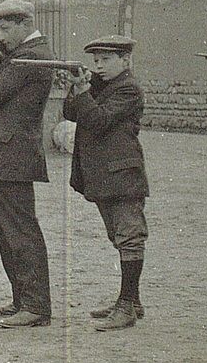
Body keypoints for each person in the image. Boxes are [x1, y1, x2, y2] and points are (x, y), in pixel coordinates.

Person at [0, 0, 55, 329]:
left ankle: (35, 305)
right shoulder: (24, 53)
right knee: (7, 230)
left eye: (4, 29)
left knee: (20, 231)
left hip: (14, 155)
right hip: (6, 155)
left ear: (24, 24)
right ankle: (22, 299)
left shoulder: (32, 55)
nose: (0, 36)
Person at [56, 35, 150, 332]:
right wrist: (76, 85)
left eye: (106, 59)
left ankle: (126, 307)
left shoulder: (129, 89)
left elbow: (97, 121)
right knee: (117, 237)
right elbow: (71, 114)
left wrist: (84, 89)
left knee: (129, 238)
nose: (99, 65)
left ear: (125, 60)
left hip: (123, 175)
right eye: (96, 60)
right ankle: (131, 300)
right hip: (102, 175)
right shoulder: (101, 85)